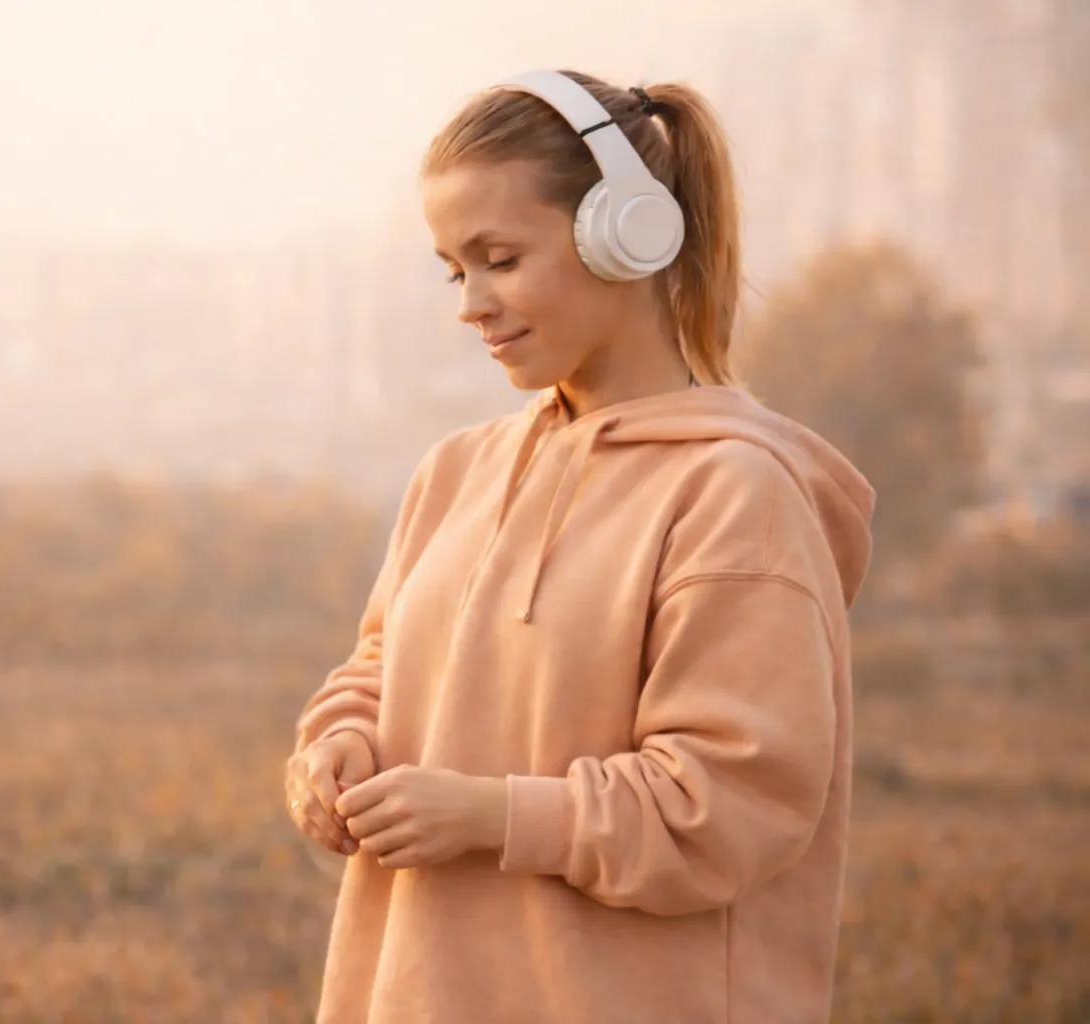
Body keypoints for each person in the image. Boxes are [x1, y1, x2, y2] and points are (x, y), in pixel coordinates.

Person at [283, 67, 876, 1023]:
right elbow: (382, 669)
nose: (471, 303)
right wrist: (338, 742)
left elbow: (729, 804)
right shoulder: (456, 473)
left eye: (500, 259)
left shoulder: (737, 493)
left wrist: (491, 814)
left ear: (626, 234)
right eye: (455, 270)